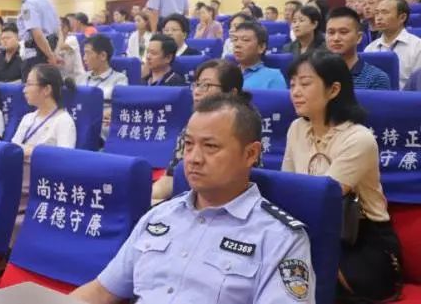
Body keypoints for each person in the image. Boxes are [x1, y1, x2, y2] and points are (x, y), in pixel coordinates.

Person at [72, 94, 314, 304]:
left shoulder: (280, 238)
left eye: (210, 146)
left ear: (251, 153)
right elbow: (102, 291)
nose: (193, 158)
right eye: (188, 145)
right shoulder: (159, 216)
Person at [283, 51, 402, 302]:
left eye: (305, 83)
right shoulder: (296, 128)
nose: (295, 92)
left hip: (361, 239)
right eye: (292, 85)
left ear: (334, 89)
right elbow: (287, 186)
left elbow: (325, 199)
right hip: (312, 230)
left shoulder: (358, 139)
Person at [152, 59, 247, 201]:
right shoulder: (191, 126)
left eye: (206, 85)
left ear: (232, 93)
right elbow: (171, 177)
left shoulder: (244, 127)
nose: (197, 91)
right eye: (197, 85)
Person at [12, 64, 76, 211]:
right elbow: (12, 149)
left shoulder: (64, 121)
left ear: (46, 89)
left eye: (29, 84)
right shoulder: (28, 118)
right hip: (17, 179)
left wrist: (30, 151)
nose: (24, 90)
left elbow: (64, 161)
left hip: (41, 185)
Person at [326, 7, 390, 90]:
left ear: (359, 37)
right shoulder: (317, 74)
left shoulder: (376, 78)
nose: (336, 38)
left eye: (343, 32)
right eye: (331, 32)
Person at [364, 0, 421, 89]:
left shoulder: (417, 47)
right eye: (377, 13)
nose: (379, 17)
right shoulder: (370, 48)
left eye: (385, 12)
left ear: (402, 17)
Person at [79, 34, 128, 140]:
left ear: (103, 56)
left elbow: (120, 107)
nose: (84, 58)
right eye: (84, 53)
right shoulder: (81, 78)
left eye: (88, 53)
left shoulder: (119, 79)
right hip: (79, 126)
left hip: (101, 130)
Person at [16, 0, 60, 80]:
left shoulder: (28, 4)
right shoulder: (48, 1)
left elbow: (37, 33)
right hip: (49, 49)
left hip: (36, 54)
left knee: (33, 87)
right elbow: (59, 31)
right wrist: (54, 54)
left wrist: (50, 56)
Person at [233, 22, 287, 90]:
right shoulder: (226, 74)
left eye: (245, 40)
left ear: (261, 47)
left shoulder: (274, 77)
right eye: (235, 40)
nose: (237, 45)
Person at [55, 17, 86, 82]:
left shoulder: (72, 39)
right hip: (63, 78)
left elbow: (60, 46)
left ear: (66, 28)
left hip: (77, 78)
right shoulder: (54, 40)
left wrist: (59, 33)